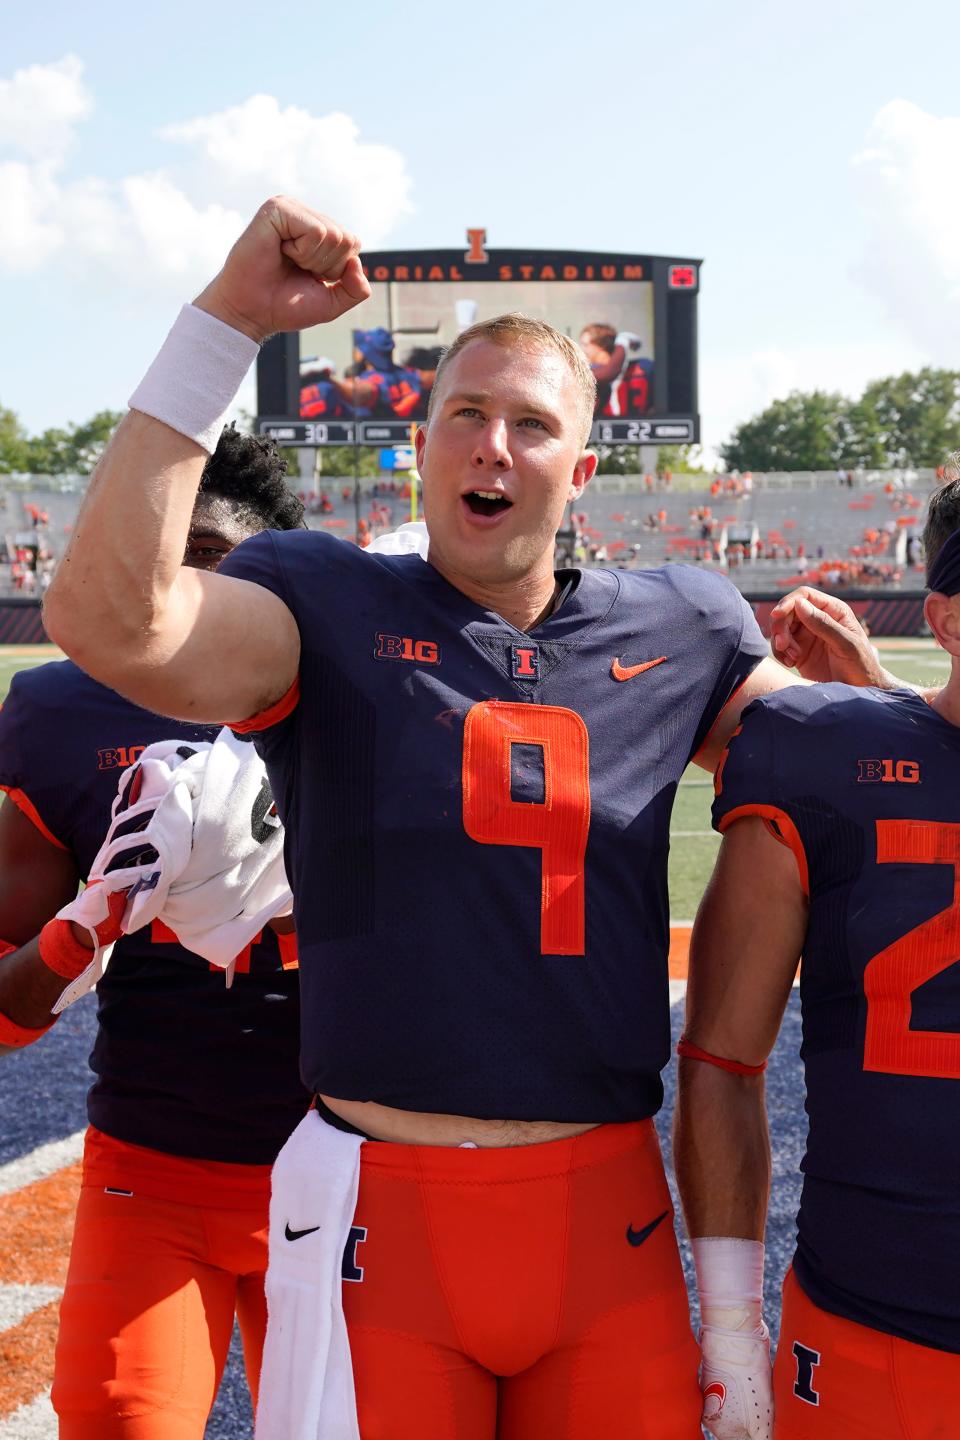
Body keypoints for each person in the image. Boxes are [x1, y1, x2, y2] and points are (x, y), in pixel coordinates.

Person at [42, 198, 888, 1438]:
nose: (492, 444)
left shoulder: (683, 624)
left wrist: (871, 717)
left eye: (532, 424)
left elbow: (833, 785)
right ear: (421, 449)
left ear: (583, 470)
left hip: (605, 1216)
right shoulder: (321, 603)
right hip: (381, 1205)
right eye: (464, 416)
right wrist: (223, 324)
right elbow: (112, 624)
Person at [0, 428, 311, 1440]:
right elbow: (4, 1012)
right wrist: (78, 933)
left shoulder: (355, 701)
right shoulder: (57, 713)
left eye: (217, 562)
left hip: (346, 1170)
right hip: (153, 1167)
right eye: (165, 555)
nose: (181, 591)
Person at [673, 474, 960, 1439]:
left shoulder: (849, 745)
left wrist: (881, 701)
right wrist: (727, 1330)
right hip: (877, 1325)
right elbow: (720, 1060)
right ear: (947, 617)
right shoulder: (828, 758)